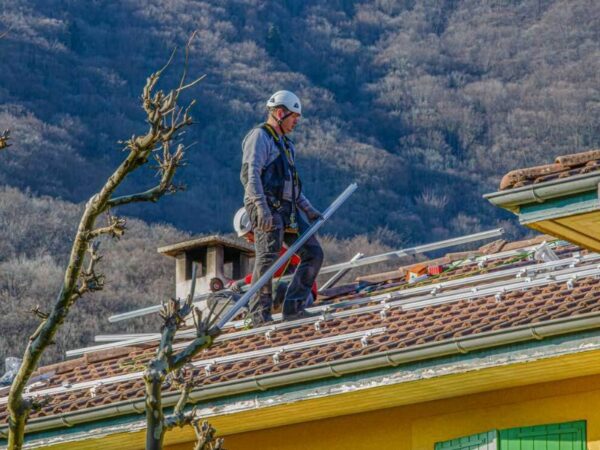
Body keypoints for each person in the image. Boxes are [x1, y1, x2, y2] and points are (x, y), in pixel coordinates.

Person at [240, 90, 323, 325]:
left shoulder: (287, 145)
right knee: (267, 259)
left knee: (313, 253)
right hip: (266, 207)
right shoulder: (260, 137)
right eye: (293, 116)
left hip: (288, 210)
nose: (296, 121)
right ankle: (260, 314)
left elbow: (292, 186)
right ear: (279, 113)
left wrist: (308, 210)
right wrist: (262, 208)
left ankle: (294, 306)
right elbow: (251, 176)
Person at [229, 207, 318, 309]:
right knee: (238, 296)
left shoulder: (275, 245)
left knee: (278, 288)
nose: (248, 240)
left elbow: (268, 270)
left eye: (247, 236)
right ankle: (242, 307)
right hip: (283, 293)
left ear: (255, 230)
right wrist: (234, 286)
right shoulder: (267, 246)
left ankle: (252, 307)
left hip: (301, 295)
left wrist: (242, 282)